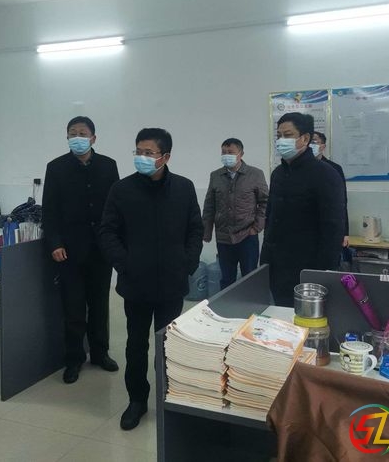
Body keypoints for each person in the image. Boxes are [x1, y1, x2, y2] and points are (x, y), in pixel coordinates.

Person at [99, 128, 203, 431]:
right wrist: (125, 264)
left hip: (172, 283)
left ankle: (170, 397)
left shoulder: (183, 187)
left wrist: (187, 263)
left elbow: (195, 229)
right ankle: (137, 400)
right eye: (138, 152)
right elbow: (108, 232)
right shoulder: (122, 189)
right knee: (136, 344)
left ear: (165, 156)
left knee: (169, 345)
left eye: (149, 153)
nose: (141, 158)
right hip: (136, 284)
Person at [42, 116, 120, 385]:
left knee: (99, 305)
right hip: (69, 250)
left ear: (93, 138)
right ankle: (73, 359)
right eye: (72, 133)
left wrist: (114, 243)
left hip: (101, 250)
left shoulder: (108, 166)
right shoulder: (56, 168)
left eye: (82, 133)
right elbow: (49, 211)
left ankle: (100, 353)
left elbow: (115, 208)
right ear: (67, 138)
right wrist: (54, 243)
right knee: (73, 308)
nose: (77, 137)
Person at [261, 113, 346, 306]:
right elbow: (271, 218)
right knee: (280, 316)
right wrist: (265, 261)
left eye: (288, 135)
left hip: (308, 270)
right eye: (279, 136)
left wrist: (322, 274)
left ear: (305, 138)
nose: (281, 141)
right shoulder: (278, 174)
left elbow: (333, 229)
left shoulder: (326, 174)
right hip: (277, 266)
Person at [202, 138, 268, 289]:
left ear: (241, 154)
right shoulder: (216, 176)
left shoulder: (255, 174)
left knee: (249, 277)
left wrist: (256, 228)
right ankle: (227, 304)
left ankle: (249, 304)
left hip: (247, 235)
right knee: (226, 279)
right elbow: (209, 205)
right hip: (224, 236)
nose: (226, 155)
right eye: (223, 152)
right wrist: (206, 232)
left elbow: (265, 202)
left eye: (230, 152)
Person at [311, 131, 350, 252]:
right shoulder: (297, 169)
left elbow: (342, 202)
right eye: (308, 142)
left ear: (323, 146)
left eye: (314, 142)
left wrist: (345, 232)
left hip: (329, 226)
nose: (310, 145)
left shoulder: (334, 169)